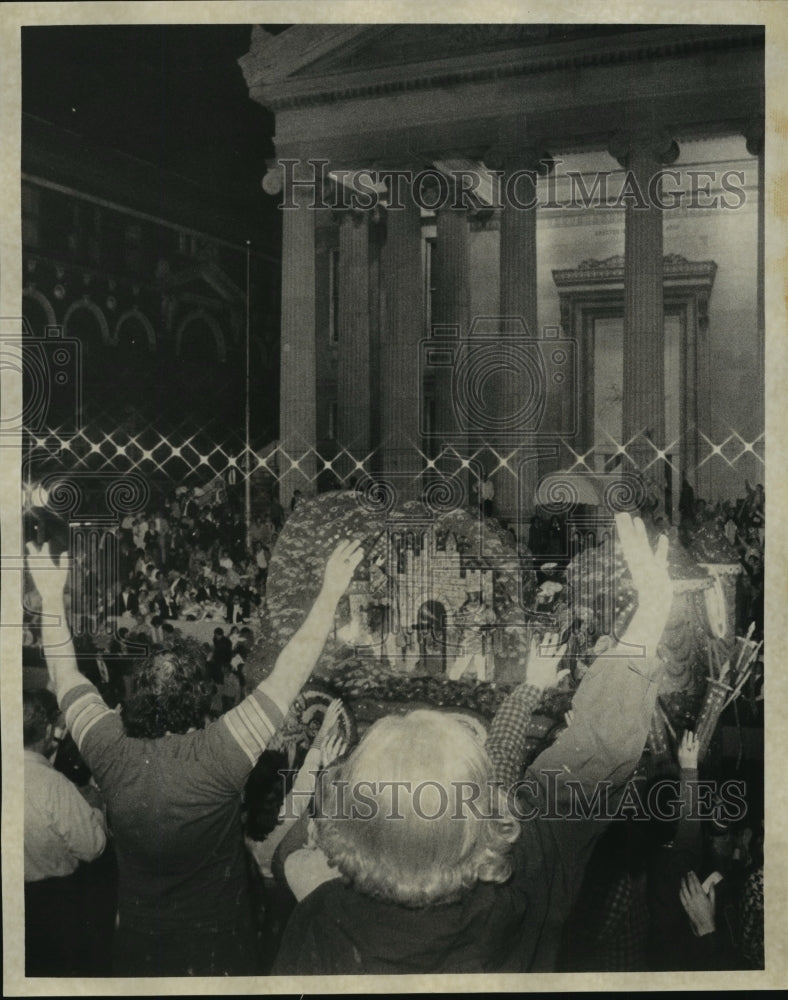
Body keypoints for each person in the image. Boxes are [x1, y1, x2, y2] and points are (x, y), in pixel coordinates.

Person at [272, 513, 675, 974]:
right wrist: (652, 614)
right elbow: (597, 749)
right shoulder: (524, 879)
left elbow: (289, 854)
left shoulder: (320, 922)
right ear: (484, 814)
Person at [26, 536, 364, 977]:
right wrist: (330, 591)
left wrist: (51, 597)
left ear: (136, 696)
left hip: (138, 953)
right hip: (220, 953)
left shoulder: (107, 749)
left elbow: (62, 670)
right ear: (200, 702)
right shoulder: (219, 754)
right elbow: (290, 672)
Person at [24, 689, 108, 975]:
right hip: (56, 903)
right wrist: (95, 808)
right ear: (48, 730)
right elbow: (92, 846)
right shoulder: (52, 784)